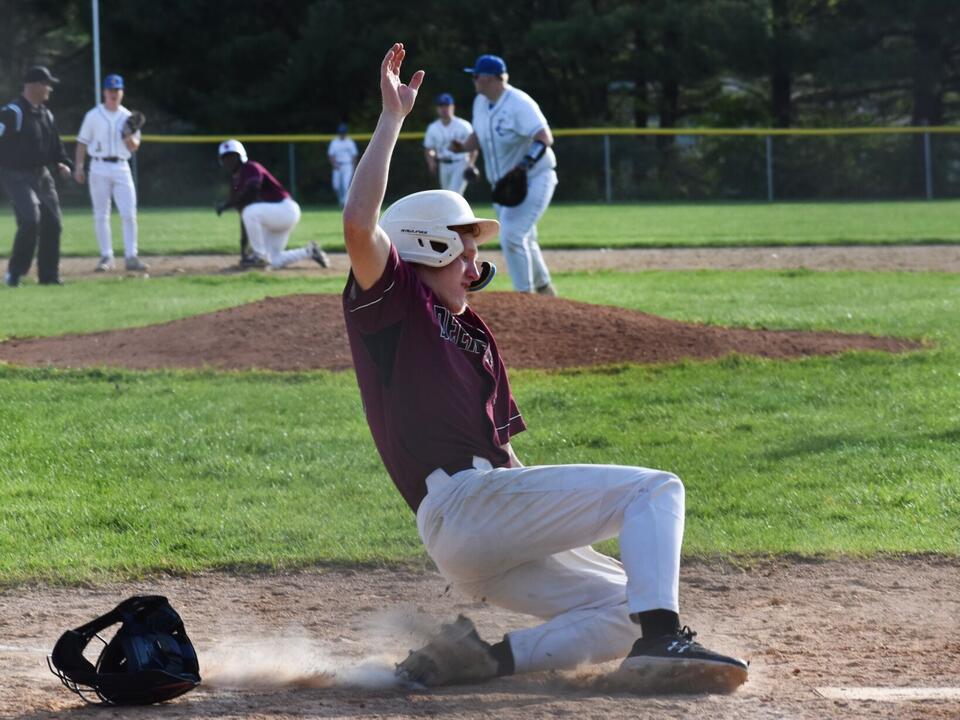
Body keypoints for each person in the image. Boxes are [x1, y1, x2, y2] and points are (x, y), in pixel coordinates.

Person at [341, 43, 748, 693]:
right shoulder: (400, 305)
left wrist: (554, 526)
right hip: (462, 507)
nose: (476, 268)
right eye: (464, 250)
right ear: (426, 245)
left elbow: (502, 456)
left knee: (624, 604)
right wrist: (392, 120)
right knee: (656, 489)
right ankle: (662, 638)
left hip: (481, 522)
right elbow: (360, 226)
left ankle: (480, 660)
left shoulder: (470, 333)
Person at [452, 54, 557, 296]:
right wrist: (462, 147)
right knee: (525, 238)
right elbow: (478, 136)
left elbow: (544, 138)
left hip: (534, 177)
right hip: (503, 185)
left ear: (489, 78)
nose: (474, 80)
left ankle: (525, 296)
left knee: (511, 234)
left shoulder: (519, 103)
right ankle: (545, 291)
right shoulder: (481, 102)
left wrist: (524, 165)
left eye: (476, 76)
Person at [0, 66, 72, 287]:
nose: (49, 88)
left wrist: (63, 163)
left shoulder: (46, 115)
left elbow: (56, 148)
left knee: (54, 222)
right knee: (31, 220)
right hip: (16, 175)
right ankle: (15, 273)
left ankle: (49, 276)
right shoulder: (12, 113)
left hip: (42, 175)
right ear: (34, 86)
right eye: (46, 84)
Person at [215, 139, 329, 270]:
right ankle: (310, 251)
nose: (229, 161)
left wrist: (228, 205)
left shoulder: (250, 167)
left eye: (232, 156)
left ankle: (259, 255)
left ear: (240, 156)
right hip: (277, 216)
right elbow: (244, 216)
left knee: (250, 212)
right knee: (272, 261)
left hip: (285, 209)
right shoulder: (236, 181)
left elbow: (252, 189)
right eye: (226, 158)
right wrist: (243, 252)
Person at [74, 74, 148, 273]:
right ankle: (106, 256)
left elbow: (134, 147)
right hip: (98, 166)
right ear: (104, 92)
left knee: (129, 213)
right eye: (110, 90)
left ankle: (131, 256)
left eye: (117, 90)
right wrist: (79, 166)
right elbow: (82, 142)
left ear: (122, 92)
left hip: (122, 166)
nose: (113, 94)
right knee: (101, 214)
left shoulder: (128, 117)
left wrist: (128, 136)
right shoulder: (93, 115)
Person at [423, 93, 477, 195]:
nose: (444, 109)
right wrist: (431, 161)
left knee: (453, 195)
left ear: (452, 107)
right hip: (443, 164)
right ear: (437, 109)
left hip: (460, 163)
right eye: (441, 106)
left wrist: (471, 163)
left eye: (447, 105)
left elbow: (473, 147)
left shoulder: (464, 125)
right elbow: (428, 148)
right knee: (446, 196)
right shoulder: (433, 127)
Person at [327, 123, 358, 207]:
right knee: (336, 185)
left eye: (343, 132)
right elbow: (330, 155)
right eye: (341, 132)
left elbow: (354, 155)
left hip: (347, 165)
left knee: (345, 185)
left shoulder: (349, 142)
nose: (342, 134)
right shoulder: (334, 142)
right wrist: (334, 164)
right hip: (337, 165)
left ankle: (345, 203)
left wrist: (354, 168)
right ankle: (341, 200)